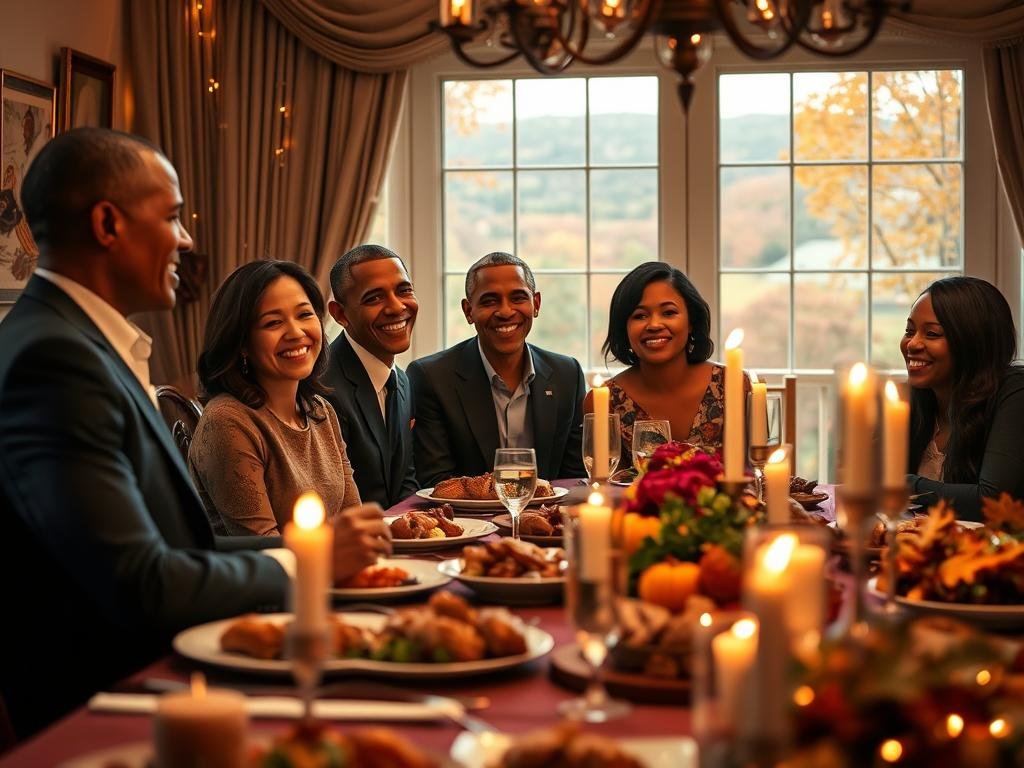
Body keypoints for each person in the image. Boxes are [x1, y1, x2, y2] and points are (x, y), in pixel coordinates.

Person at [0, 128, 390, 740]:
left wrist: (316, 553)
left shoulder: (76, 341)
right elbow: (141, 583)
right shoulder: (53, 359)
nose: (186, 239)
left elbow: (178, 549)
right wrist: (305, 562)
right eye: (174, 217)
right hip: (112, 704)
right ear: (108, 224)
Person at [189, 260, 362, 535]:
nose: (296, 332)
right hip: (268, 577)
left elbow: (354, 520)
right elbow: (263, 547)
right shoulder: (228, 421)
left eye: (304, 315)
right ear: (242, 343)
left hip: (332, 572)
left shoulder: (320, 411)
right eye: (273, 322)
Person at [408, 251, 586, 486]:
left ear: (536, 304)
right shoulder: (431, 377)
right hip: (469, 520)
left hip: (548, 516)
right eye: (489, 301)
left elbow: (573, 478)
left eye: (518, 297)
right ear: (468, 310)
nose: (505, 311)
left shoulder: (567, 374)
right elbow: (436, 481)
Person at [590, 261, 749, 466]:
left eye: (668, 313)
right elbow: (606, 487)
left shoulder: (733, 385)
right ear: (624, 328)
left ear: (691, 321)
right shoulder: (606, 400)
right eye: (640, 316)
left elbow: (755, 473)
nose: (654, 325)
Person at [903, 276, 1024, 520]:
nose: (912, 344)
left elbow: (991, 499)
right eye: (909, 331)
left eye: (932, 334)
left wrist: (903, 485)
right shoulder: (913, 401)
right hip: (926, 550)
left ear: (972, 341)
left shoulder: (1015, 393)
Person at [322, 244, 419, 509]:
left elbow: (405, 481)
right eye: (374, 298)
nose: (396, 307)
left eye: (404, 290)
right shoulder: (322, 387)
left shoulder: (401, 379)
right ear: (340, 314)